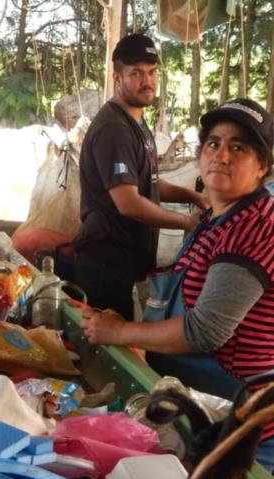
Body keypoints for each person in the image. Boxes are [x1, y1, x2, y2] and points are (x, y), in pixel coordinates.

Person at [81, 98, 274, 470]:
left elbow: (206, 330)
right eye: (213, 143)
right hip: (202, 410)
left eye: (239, 147)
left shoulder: (255, 226)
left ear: (262, 166)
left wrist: (122, 332)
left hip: (244, 428)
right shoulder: (215, 219)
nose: (222, 155)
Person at [74, 33, 209, 320]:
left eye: (151, 72)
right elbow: (129, 203)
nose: (147, 81)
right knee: (109, 350)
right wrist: (186, 222)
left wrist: (193, 195)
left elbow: (151, 184)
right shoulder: (114, 130)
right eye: (136, 73)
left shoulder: (136, 123)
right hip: (105, 263)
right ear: (117, 77)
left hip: (125, 262)